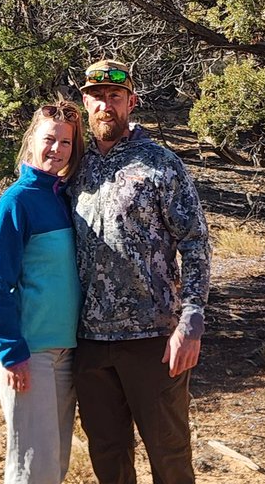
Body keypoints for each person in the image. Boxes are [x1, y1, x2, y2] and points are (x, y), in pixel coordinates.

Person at [70, 59, 211, 484]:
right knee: (108, 454)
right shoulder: (75, 165)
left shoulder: (160, 163)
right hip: (89, 338)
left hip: (154, 337)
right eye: (97, 97)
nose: (105, 106)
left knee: (168, 453)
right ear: (85, 103)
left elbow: (195, 241)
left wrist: (191, 319)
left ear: (131, 102)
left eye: (115, 97)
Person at [0, 99, 85, 484]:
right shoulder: (16, 202)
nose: (56, 149)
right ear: (30, 142)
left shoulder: (62, 198)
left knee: (53, 465)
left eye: (66, 143)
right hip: (30, 354)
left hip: (65, 354)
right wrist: (12, 353)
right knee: (32, 469)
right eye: (49, 139)